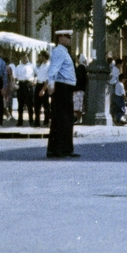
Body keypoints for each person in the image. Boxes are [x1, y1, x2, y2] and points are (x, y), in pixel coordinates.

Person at [43, 29, 79, 158]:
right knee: (63, 118)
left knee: (64, 118)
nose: (70, 39)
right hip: (62, 87)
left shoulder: (64, 52)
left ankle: (62, 149)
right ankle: (60, 149)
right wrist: (51, 84)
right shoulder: (59, 52)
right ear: (60, 38)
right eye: (67, 37)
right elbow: (53, 70)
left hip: (65, 87)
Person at [13, 53, 36, 125]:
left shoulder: (32, 66)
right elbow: (15, 77)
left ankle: (31, 121)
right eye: (23, 57)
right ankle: (20, 121)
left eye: (26, 57)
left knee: (29, 104)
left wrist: (35, 81)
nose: (25, 58)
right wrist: (15, 84)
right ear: (21, 58)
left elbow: (37, 74)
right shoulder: (18, 67)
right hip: (21, 84)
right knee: (20, 104)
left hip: (28, 84)